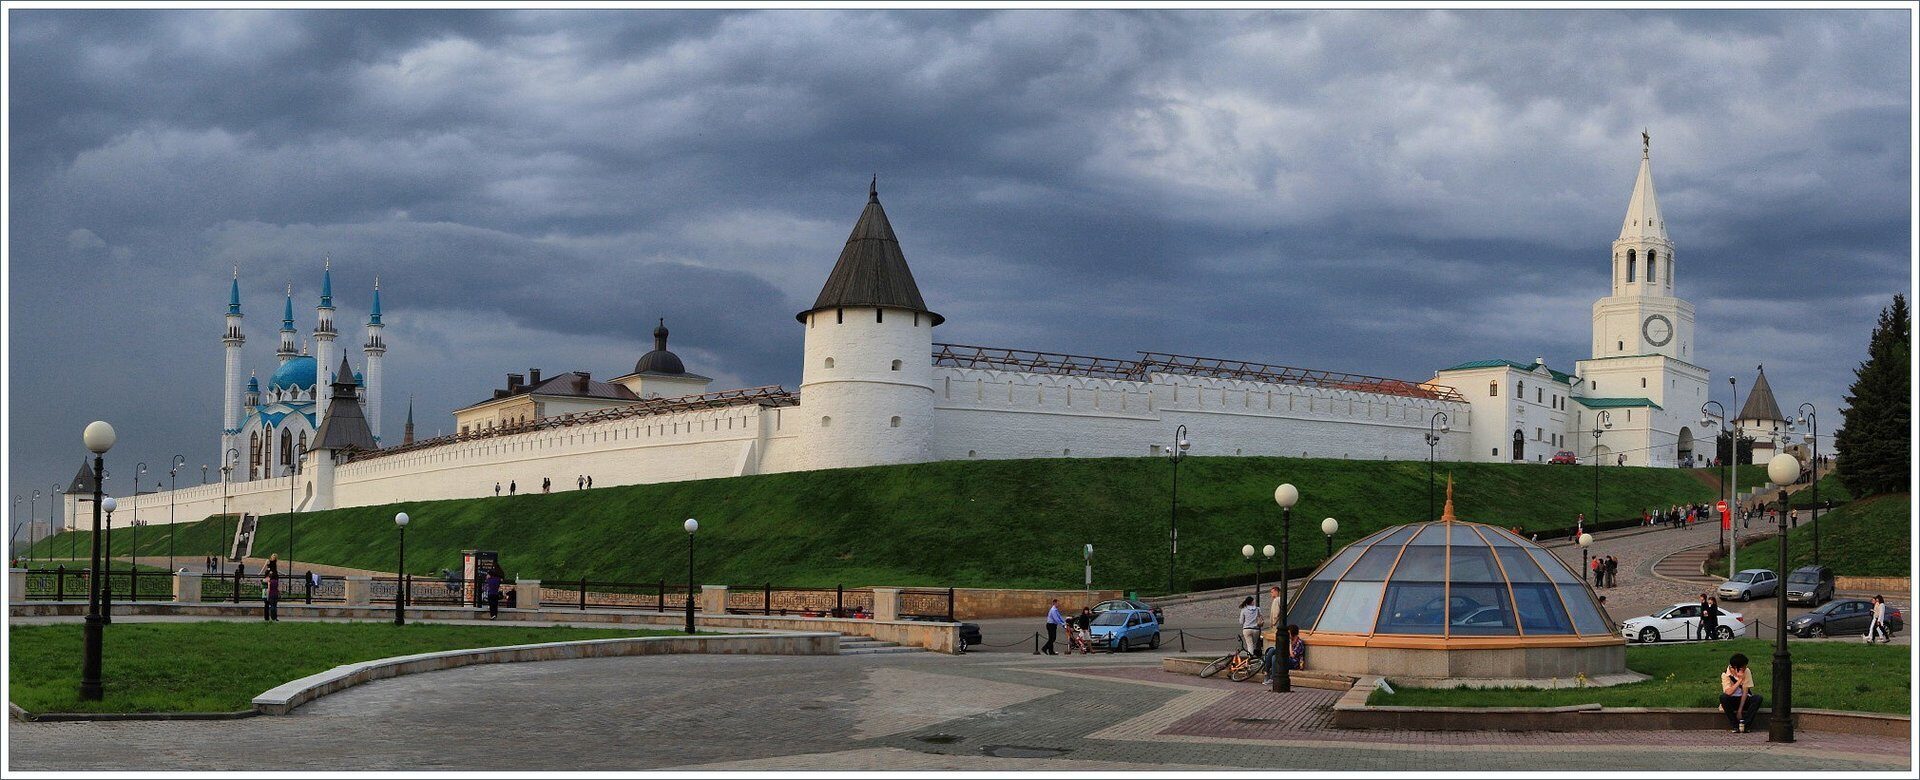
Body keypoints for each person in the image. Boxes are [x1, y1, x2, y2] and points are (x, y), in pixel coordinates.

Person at [1720, 653, 1761, 733]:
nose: (1745, 668)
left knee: (1758, 698)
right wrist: (1739, 680)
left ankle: (1745, 724)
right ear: (1736, 668)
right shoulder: (1725, 674)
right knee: (1723, 697)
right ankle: (1735, 725)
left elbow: (1745, 692)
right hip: (1732, 700)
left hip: (1743, 699)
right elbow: (1728, 692)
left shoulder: (1747, 671)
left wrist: (1740, 711)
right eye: (1743, 667)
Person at [262, 554, 281, 622]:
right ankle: (271, 618)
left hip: (270, 592)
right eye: (273, 556)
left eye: (274, 557)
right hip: (270, 592)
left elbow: (275, 570)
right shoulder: (270, 562)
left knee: (270, 605)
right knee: (271, 605)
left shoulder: (269, 578)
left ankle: (271, 618)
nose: (273, 558)